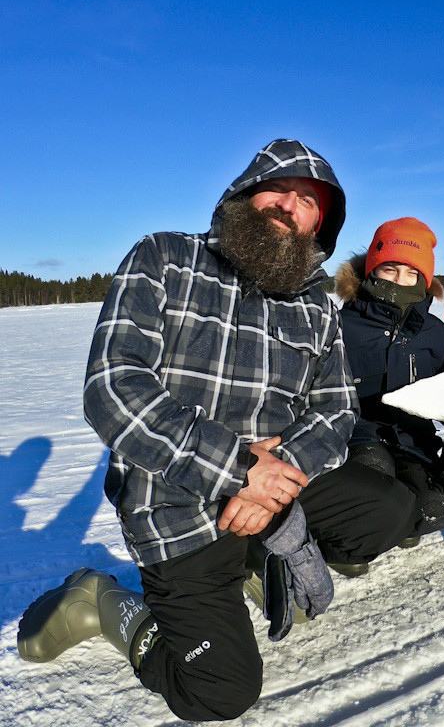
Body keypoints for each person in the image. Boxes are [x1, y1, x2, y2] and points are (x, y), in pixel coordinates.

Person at [16, 140, 412, 721]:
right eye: (278, 188)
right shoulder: (165, 259)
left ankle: (253, 563)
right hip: (176, 504)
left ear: (318, 227)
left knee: (392, 508)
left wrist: (277, 479)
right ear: (244, 194)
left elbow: (336, 411)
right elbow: (113, 386)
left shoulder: (317, 305)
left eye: (309, 202)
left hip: (276, 487)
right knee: (219, 691)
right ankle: (104, 604)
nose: (290, 205)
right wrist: (241, 473)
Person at [335, 218, 444, 567]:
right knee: (374, 481)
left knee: (437, 506)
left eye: (411, 274)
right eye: (390, 269)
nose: (399, 281)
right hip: (357, 436)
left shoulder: (435, 333)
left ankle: (403, 518)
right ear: (372, 270)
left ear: (425, 281)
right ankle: (346, 543)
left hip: (412, 439)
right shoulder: (341, 324)